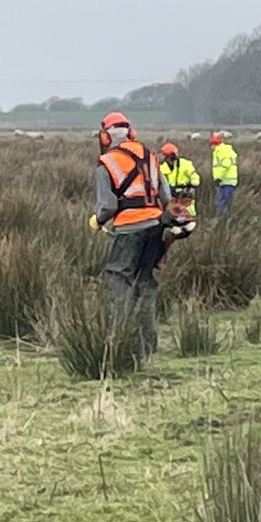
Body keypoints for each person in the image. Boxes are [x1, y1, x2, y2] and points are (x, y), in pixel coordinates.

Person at [89, 111, 171, 359]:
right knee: (145, 284)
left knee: (118, 282)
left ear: (105, 136)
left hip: (127, 232)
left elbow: (108, 206)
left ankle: (119, 344)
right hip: (155, 228)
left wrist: (97, 220)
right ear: (131, 132)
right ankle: (148, 346)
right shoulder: (152, 157)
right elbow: (166, 197)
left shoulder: (107, 164)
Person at [158, 142, 200, 215]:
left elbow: (194, 176)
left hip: (184, 193)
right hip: (171, 196)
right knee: (171, 216)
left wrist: (192, 184)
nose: (166, 160)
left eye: (167, 157)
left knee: (189, 215)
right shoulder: (161, 168)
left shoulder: (185, 164)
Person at [210, 132, 238, 213]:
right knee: (222, 202)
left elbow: (225, 165)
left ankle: (221, 219)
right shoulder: (221, 150)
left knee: (221, 202)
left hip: (226, 181)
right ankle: (224, 219)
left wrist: (218, 178)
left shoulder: (222, 151)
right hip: (225, 181)